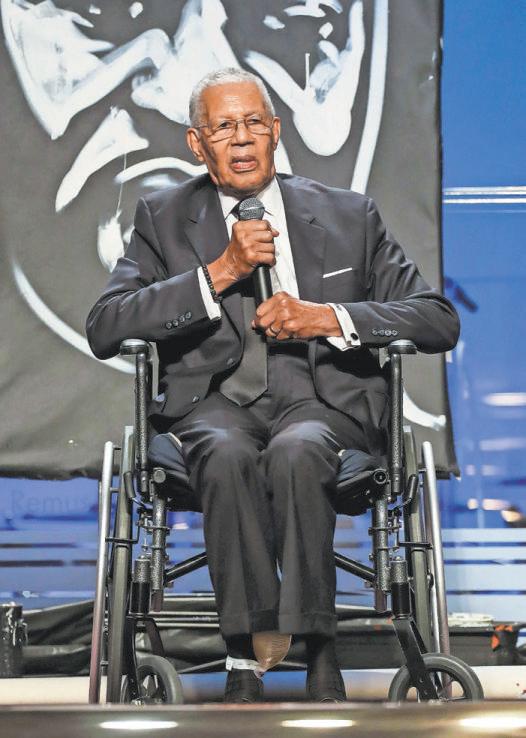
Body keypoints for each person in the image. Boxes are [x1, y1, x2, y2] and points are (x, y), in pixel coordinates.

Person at [86, 67, 459, 703]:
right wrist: (220, 271)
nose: (241, 138)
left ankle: (319, 648)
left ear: (276, 132)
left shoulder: (348, 214)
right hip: (215, 404)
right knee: (226, 451)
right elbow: (105, 326)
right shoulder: (164, 216)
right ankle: (244, 652)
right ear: (197, 145)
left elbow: (436, 319)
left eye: (253, 122)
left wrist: (328, 317)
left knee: (298, 450)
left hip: (323, 402)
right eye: (223, 127)